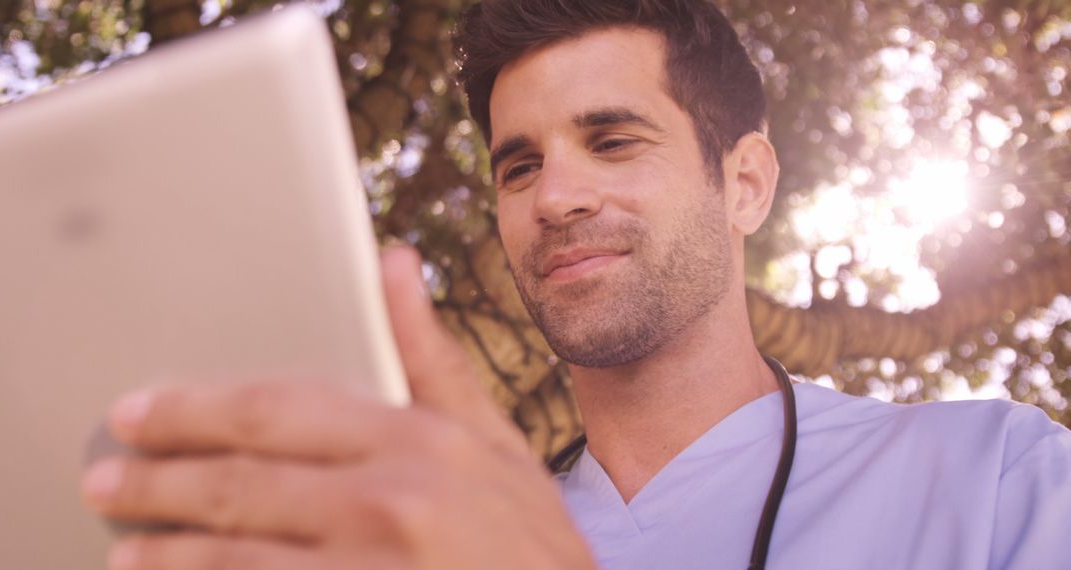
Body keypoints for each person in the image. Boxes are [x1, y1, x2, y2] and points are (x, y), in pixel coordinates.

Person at [80, 1, 1071, 568]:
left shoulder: (999, 479)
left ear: (747, 182)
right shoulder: (402, 533)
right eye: (518, 167)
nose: (555, 196)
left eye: (612, 140)